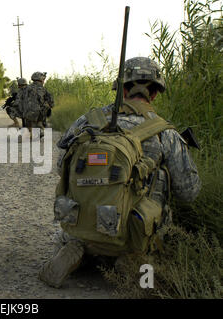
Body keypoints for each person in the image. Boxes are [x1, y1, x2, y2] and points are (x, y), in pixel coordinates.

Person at [38, 57, 201, 288]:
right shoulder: (166, 134)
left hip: (83, 228)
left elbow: (60, 167)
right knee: (154, 230)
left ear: (121, 89)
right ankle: (133, 259)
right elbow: (188, 193)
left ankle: (78, 250)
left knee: (76, 236)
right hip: (133, 232)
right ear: (154, 94)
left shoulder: (88, 121)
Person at [16, 71, 54, 137]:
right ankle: (41, 124)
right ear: (41, 80)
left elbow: (18, 101)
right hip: (38, 115)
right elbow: (51, 103)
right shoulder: (43, 89)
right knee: (46, 106)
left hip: (26, 115)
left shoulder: (25, 88)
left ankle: (28, 129)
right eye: (43, 79)